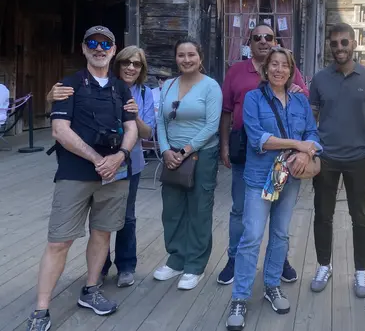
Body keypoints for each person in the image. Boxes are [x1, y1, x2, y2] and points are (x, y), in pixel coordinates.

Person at [26, 26, 138, 331]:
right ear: (84, 48)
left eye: (105, 44)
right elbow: (59, 130)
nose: (99, 48)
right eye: (93, 43)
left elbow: (131, 127)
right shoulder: (68, 85)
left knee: (102, 234)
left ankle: (90, 289)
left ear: (114, 50)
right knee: (59, 241)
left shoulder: (121, 88)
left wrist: (120, 156)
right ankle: (41, 309)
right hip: (75, 173)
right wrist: (97, 159)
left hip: (114, 174)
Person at [226, 47, 321, 331]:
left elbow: (312, 133)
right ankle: (240, 297)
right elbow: (259, 138)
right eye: (274, 64)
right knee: (252, 236)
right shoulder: (253, 98)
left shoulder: (300, 100)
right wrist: (297, 144)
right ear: (266, 69)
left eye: (285, 65)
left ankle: (271, 285)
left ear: (291, 71)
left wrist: (305, 152)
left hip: (290, 178)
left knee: (280, 234)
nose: (279, 70)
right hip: (259, 178)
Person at [47, 46, 156, 289]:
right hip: (91, 163)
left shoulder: (145, 93)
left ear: (142, 69)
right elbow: (65, 111)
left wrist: (135, 116)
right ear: (118, 63)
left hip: (128, 164)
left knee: (126, 216)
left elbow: (147, 133)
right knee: (100, 222)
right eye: (126, 62)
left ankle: (126, 265)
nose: (131, 67)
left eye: (137, 64)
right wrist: (50, 96)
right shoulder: (100, 84)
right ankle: (100, 268)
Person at [218, 25, 308, 286]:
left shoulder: (288, 70)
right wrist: (224, 146)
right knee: (241, 209)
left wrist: (298, 91)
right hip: (245, 148)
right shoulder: (236, 71)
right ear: (250, 42)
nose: (263, 41)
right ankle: (235, 258)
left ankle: (279, 261)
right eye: (257, 37)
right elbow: (226, 111)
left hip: (281, 155)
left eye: (268, 37)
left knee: (280, 217)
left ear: (275, 40)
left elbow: (302, 101)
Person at [308, 22, 365, 298]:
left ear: (354, 43)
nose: (339, 48)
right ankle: (323, 266)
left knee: (360, 217)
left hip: (360, 158)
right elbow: (311, 117)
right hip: (326, 158)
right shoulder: (320, 79)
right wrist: (311, 149)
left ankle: (361, 271)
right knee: (322, 215)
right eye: (334, 43)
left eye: (344, 42)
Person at [154, 38, 222, 291]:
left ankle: (195, 264)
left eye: (191, 54)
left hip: (201, 156)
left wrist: (184, 151)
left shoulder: (211, 87)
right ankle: (176, 259)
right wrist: (165, 150)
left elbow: (212, 125)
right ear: (176, 58)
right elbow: (161, 121)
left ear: (200, 57)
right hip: (171, 155)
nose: (186, 59)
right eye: (181, 55)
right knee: (172, 209)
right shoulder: (169, 85)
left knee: (199, 210)